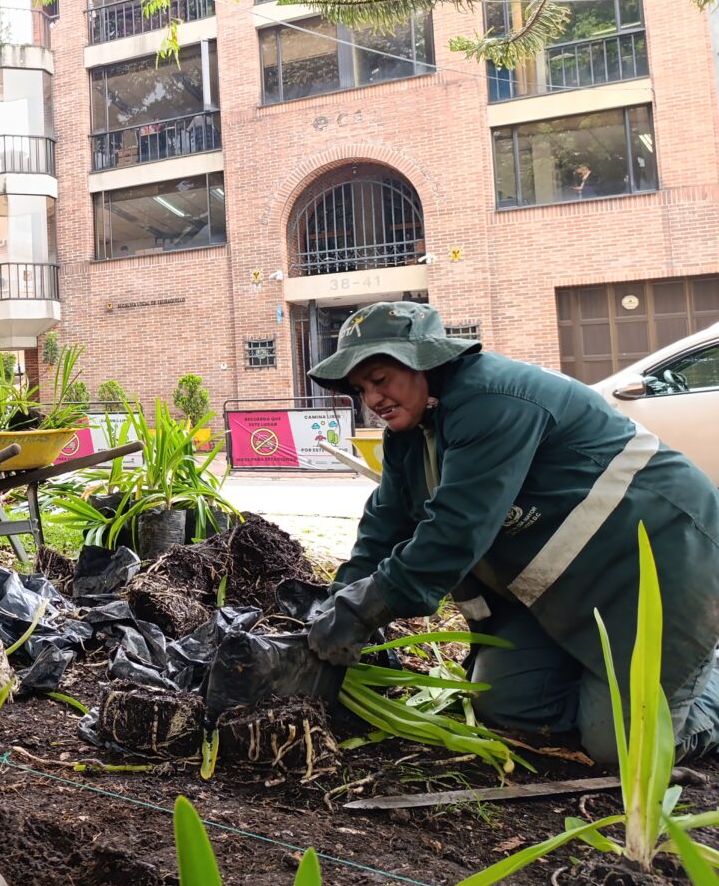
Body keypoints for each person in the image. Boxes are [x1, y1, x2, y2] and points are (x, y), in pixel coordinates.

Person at [305, 300, 719, 765]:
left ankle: (702, 676)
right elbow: (384, 525)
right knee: (506, 705)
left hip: (658, 563)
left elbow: (456, 529)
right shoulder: (410, 432)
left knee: (622, 750)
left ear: (426, 360)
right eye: (361, 388)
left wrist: (363, 612)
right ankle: (610, 682)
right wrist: (334, 603)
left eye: (380, 379)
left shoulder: (490, 400)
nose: (373, 399)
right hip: (567, 588)